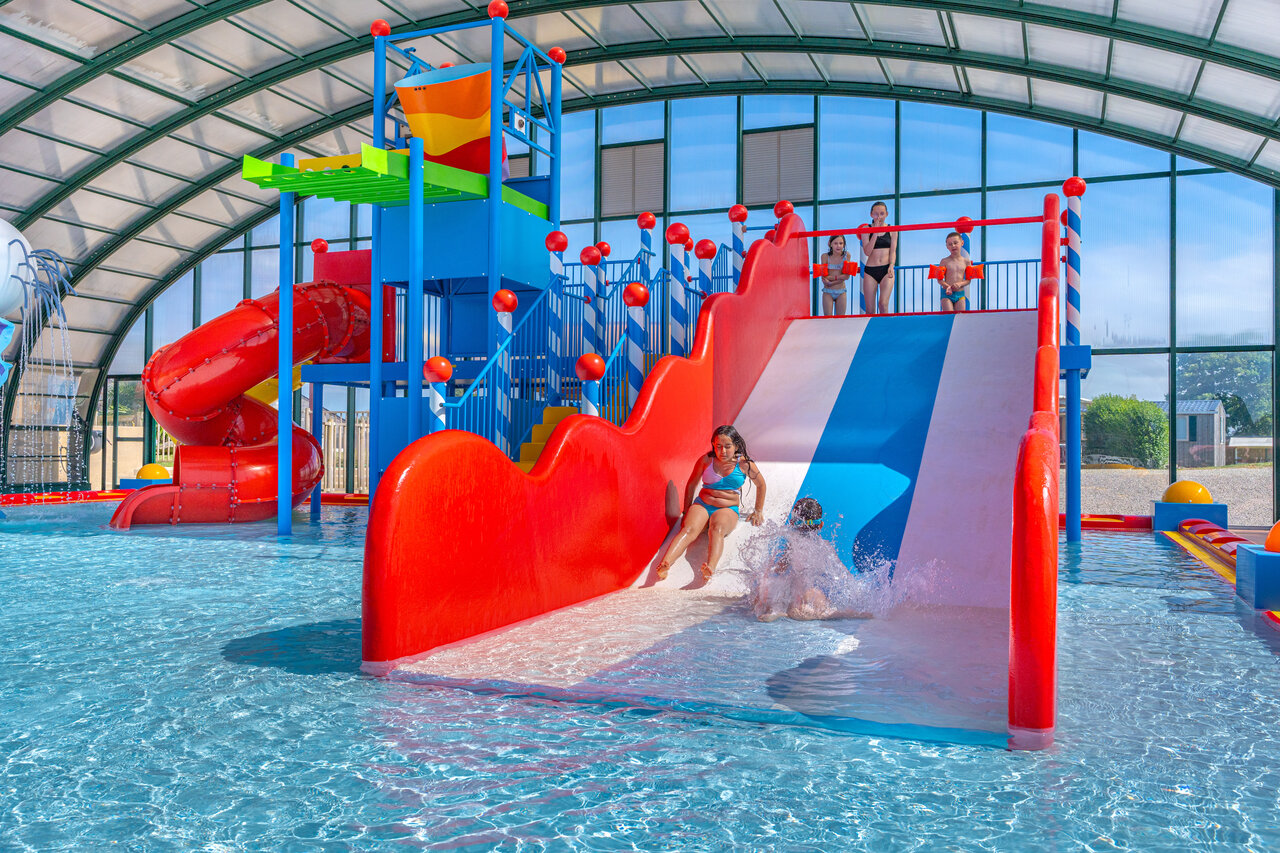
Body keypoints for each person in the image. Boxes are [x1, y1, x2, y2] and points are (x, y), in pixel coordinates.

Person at [656, 425, 766, 583]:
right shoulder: (706, 460)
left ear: (736, 445)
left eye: (727, 446)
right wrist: (687, 509)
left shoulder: (744, 464)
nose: (723, 451)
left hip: (727, 508)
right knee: (688, 529)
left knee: (717, 529)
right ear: (713, 445)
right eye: (718, 446)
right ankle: (665, 563)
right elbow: (692, 483)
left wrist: (758, 510)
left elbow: (761, 485)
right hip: (702, 504)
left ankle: (710, 567)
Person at [859, 201, 897, 315]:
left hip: (886, 269)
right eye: (876, 214)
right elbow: (867, 251)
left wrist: (891, 265)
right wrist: (875, 232)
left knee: (883, 304)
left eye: (882, 213)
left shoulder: (892, 230)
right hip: (871, 270)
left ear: (887, 214)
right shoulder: (866, 229)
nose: (879, 216)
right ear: (871, 214)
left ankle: (885, 331)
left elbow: (893, 251)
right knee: (870, 310)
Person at [817, 235, 851, 317]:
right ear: (830, 244)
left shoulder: (847, 256)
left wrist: (831, 281)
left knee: (841, 319)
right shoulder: (824, 256)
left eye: (841, 243)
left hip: (841, 291)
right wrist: (839, 277)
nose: (838, 246)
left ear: (844, 245)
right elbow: (824, 276)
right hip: (827, 292)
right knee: (827, 318)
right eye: (835, 243)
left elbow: (846, 276)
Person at [938, 231, 970, 312]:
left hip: (960, 294)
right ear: (947, 246)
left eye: (955, 243)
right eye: (950, 244)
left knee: (960, 316)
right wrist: (947, 286)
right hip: (947, 294)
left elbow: (968, 280)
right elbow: (940, 280)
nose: (953, 246)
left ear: (962, 243)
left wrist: (960, 284)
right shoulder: (944, 261)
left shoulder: (966, 262)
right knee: (949, 315)